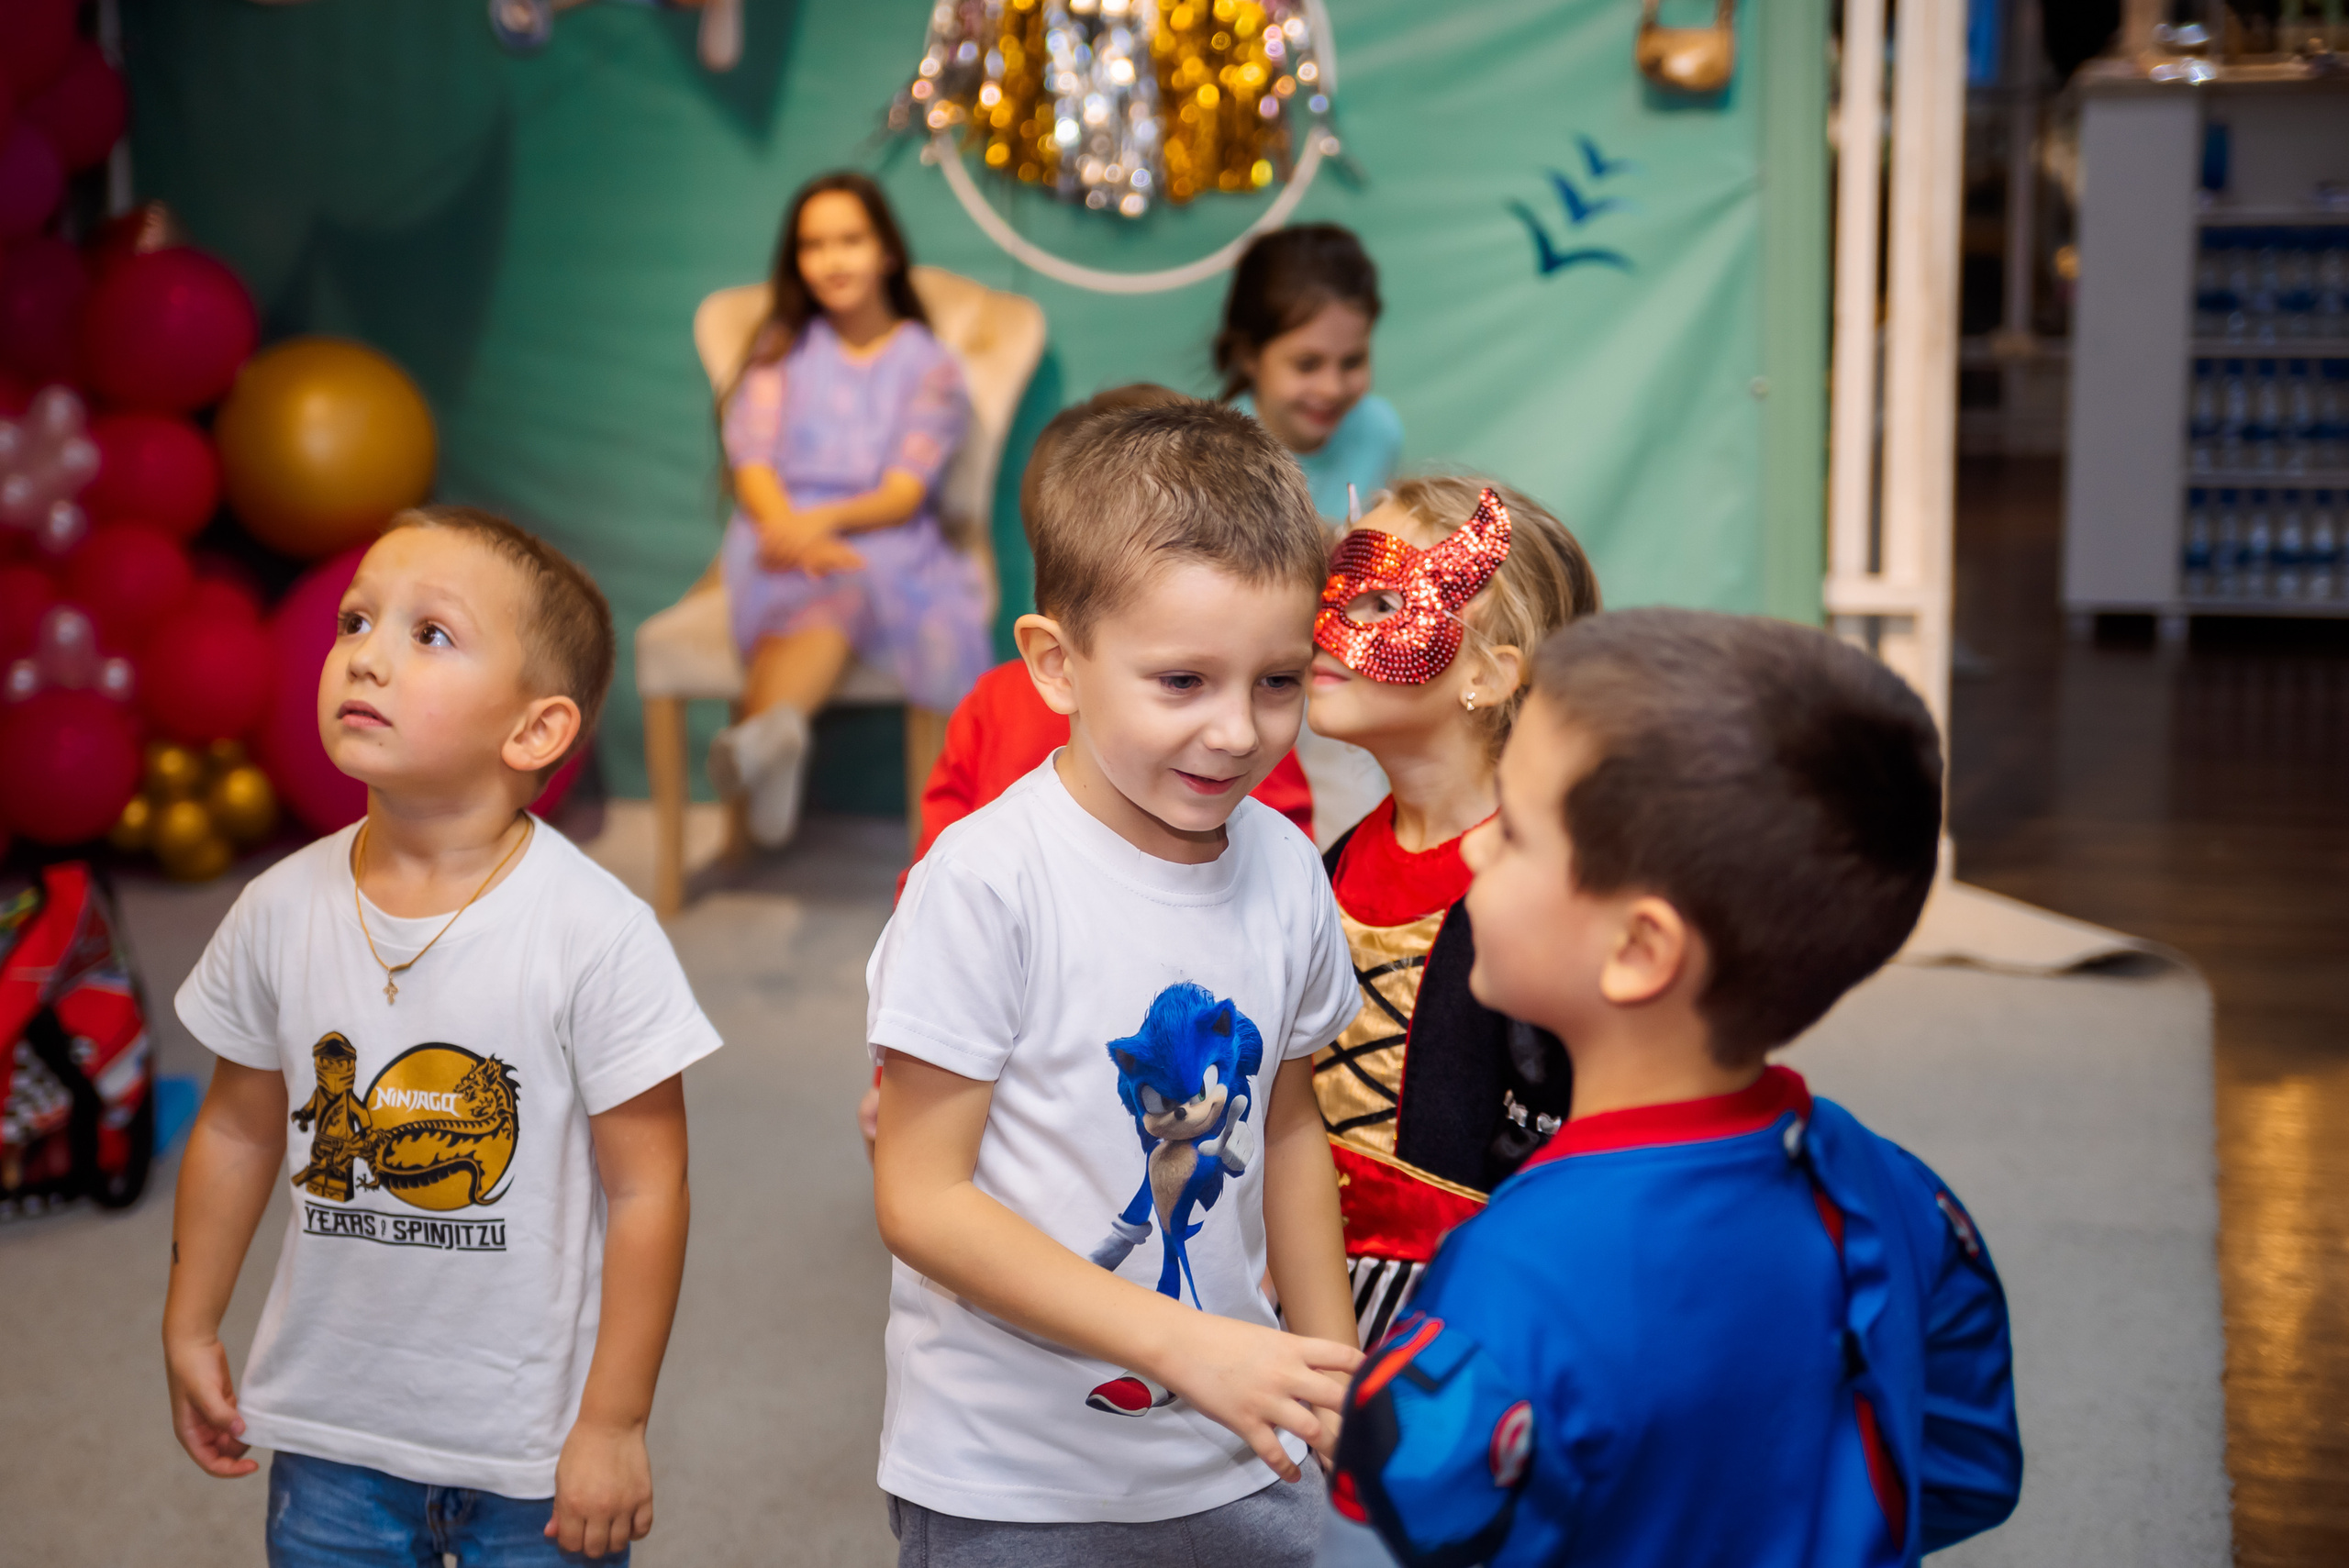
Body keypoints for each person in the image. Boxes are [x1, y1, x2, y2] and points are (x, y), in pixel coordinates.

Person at [1327, 609, 2023, 1568]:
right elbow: (1968, 1463)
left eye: (1514, 831)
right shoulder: (1902, 1190)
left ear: (1637, 948)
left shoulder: (1513, 1269)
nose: (1476, 850)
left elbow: (1406, 1507)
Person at [162, 506, 723, 1566]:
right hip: (329, 1436)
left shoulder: (596, 934)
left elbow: (651, 1189)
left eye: (429, 633)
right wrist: (192, 1319)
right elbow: (236, 1130)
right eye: (355, 620)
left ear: (535, 731)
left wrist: (613, 1420)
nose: (364, 654)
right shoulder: (278, 909)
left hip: (534, 1454)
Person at [865, 401, 1365, 1566]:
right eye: (1182, 679)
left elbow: (1290, 1131)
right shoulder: (985, 881)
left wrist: (1331, 1370)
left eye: (1279, 681)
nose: (1238, 731)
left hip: (1251, 1441)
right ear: (1056, 663)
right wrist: (1179, 1344)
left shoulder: (1289, 869)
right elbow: (922, 1198)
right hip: (1014, 1480)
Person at [1303, 477, 1601, 1347]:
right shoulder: (1324, 866)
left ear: (1487, 672)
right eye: (1335, 590)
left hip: (1482, 1320)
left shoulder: (1551, 893)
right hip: (1307, 1283)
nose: (1332, 623)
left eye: (1382, 598)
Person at [708, 170, 988, 849]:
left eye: (850, 240)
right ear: (797, 261)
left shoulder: (928, 366)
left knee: (850, 583)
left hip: (878, 529)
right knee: (813, 582)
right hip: (774, 525)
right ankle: (777, 737)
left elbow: (902, 491)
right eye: (814, 245)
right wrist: (787, 528)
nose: (832, 260)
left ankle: (769, 733)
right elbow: (752, 461)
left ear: (887, 250)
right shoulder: (781, 351)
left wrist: (819, 528)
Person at [1216, 224, 1402, 528]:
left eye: (1352, 362)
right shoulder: (1216, 459)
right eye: (1307, 364)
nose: (1332, 389)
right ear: (1248, 356)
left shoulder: (1379, 431)